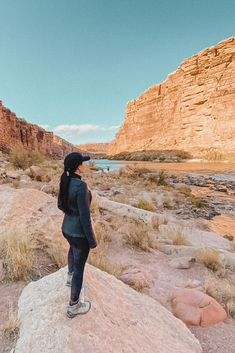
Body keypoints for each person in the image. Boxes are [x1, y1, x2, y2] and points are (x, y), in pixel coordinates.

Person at [58, 152, 97, 318]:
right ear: (78, 167)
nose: (85, 165)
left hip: (66, 228)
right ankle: (74, 306)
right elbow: (85, 217)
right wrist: (92, 240)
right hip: (79, 233)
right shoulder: (81, 186)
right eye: (83, 163)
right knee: (80, 268)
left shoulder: (65, 180)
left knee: (72, 249)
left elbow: (61, 205)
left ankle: (69, 278)